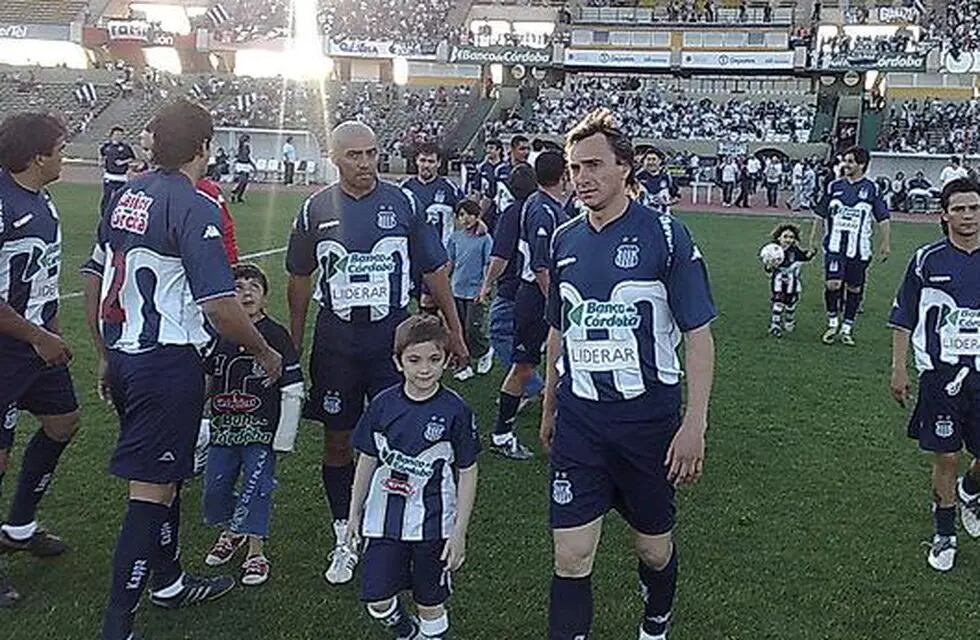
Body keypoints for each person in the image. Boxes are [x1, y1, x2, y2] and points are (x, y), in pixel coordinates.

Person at [82, 100, 284, 640]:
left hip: (127, 355)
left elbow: (94, 278)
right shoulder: (194, 206)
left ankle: (168, 581)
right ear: (204, 147)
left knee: (167, 476)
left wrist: (105, 352)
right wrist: (264, 351)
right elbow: (220, 304)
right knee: (149, 493)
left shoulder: (126, 194)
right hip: (165, 364)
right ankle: (117, 624)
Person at [540, 108, 716, 640]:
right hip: (580, 422)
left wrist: (695, 423)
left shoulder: (666, 235)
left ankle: (656, 618)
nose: (583, 178)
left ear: (625, 168)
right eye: (575, 168)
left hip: (647, 422)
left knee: (653, 549)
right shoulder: (563, 239)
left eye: (594, 165)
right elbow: (558, 332)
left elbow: (698, 333)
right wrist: (549, 406)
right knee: (570, 557)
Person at [285, 121, 468, 586]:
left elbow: (434, 269)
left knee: (405, 440)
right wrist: (294, 340)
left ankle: (404, 533)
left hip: (392, 340)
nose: (366, 164)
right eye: (355, 156)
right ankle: (344, 535)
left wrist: (455, 328)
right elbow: (299, 279)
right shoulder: (314, 209)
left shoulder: (404, 201)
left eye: (372, 154)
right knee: (339, 441)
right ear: (334, 157)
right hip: (336, 342)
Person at [347, 315, 479, 640]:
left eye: (434, 360)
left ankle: (428, 632)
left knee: (430, 603)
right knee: (377, 600)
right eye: (414, 360)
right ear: (398, 362)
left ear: (447, 360)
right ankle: (404, 630)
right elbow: (367, 458)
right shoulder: (382, 405)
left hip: (434, 524)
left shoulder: (456, 411)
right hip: (383, 522)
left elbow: (467, 470)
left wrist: (459, 531)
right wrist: (354, 513)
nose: (424, 369)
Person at [0, 113, 81, 607]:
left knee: (63, 422)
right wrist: (37, 336)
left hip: (34, 341)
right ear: (37, 158)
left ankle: (19, 525)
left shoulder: (38, 196)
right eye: (60, 148)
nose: (64, 155)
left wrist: (48, 328)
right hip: (9, 345)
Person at [889, 177, 980, 572]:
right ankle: (944, 532)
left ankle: (970, 490)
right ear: (944, 214)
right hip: (940, 377)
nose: (968, 216)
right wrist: (898, 367)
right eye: (959, 208)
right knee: (946, 455)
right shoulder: (927, 259)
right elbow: (903, 316)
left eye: (974, 207)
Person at [201, 263, 303, 586]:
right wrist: (192, 417)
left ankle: (256, 552)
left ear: (264, 297)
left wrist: (284, 433)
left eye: (253, 287)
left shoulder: (276, 335)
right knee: (215, 489)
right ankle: (232, 530)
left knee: (256, 489)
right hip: (222, 428)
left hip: (260, 429)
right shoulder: (216, 332)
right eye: (238, 286)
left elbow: (292, 384)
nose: (245, 292)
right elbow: (204, 379)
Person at [491, 151, 567, 461]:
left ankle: (562, 427)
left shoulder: (545, 206)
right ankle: (501, 433)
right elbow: (540, 267)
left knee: (555, 364)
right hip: (536, 297)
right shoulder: (542, 210)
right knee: (524, 366)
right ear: (564, 175)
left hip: (538, 296)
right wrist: (556, 304)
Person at [477, 163, 545, 405]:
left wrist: (486, 284)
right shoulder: (543, 209)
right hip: (540, 286)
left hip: (514, 286)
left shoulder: (513, 212)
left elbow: (501, 256)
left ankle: (532, 385)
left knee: (499, 331)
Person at [809, 146, 891, 346]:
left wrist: (885, 243)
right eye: (845, 160)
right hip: (835, 247)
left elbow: (883, 218)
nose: (845, 165)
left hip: (860, 249)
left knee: (854, 288)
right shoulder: (834, 186)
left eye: (850, 161)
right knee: (833, 284)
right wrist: (812, 241)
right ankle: (832, 323)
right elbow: (820, 215)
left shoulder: (872, 189)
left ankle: (847, 327)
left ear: (861, 165)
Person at [401, 142, 463, 313]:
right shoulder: (406, 188)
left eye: (430, 161)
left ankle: (436, 334)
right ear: (416, 161)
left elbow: (466, 214)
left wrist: (477, 225)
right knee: (413, 298)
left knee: (430, 302)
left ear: (439, 163)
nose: (426, 165)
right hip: (413, 255)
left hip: (439, 256)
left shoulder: (449, 188)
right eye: (423, 160)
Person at [447, 200, 493, 381]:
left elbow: (488, 264)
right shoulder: (455, 237)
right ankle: (464, 364)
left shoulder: (484, 238)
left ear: (477, 216)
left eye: (469, 214)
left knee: (472, 328)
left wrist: (484, 288)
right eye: (461, 215)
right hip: (456, 288)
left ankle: (484, 351)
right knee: (458, 330)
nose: (466, 219)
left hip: (474, 291)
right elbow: (450, 261)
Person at [764, 224, 816, 337]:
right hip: (778, 281)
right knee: (778, 301)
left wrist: (811, 252)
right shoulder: (773, 250)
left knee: (790, 303)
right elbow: (768, 268)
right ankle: (775, 325)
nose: (788, 240)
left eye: (791, 237)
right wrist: (769, 266)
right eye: (785, 236)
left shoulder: (794, 251)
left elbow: (804, 256)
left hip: (792, 282)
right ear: (779, 237)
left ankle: (789, 320)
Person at [99, 126, 135, 217]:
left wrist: (122, 162)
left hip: (121, 176)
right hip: (109, 176)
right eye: (116, 134)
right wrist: (101, 161)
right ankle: (104, 215)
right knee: (107, 197)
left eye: (120, 135)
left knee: (121, 197)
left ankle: (119, 214)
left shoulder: (125, 147)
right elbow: (101, 153)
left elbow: (132, 158)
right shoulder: (107, 146)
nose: (118, 136)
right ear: (112, 135)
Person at [635, 149, 680, 215]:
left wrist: (666, 203)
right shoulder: (638, 177)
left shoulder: (667, 178)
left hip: (663, 217)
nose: (651, 162)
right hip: (643, 217)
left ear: (660, 161)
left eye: (654, 159)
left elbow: (677, 197)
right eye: (648, 159)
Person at [230, 134, 255, 203]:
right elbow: (239, 154)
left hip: (246, 165)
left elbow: (247, 156)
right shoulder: (240, 147)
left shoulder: (247, 147)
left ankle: (239, 196)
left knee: (245, 183)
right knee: (242, 181)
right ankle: (233, 193)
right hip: (241, 165)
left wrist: (253, 165)